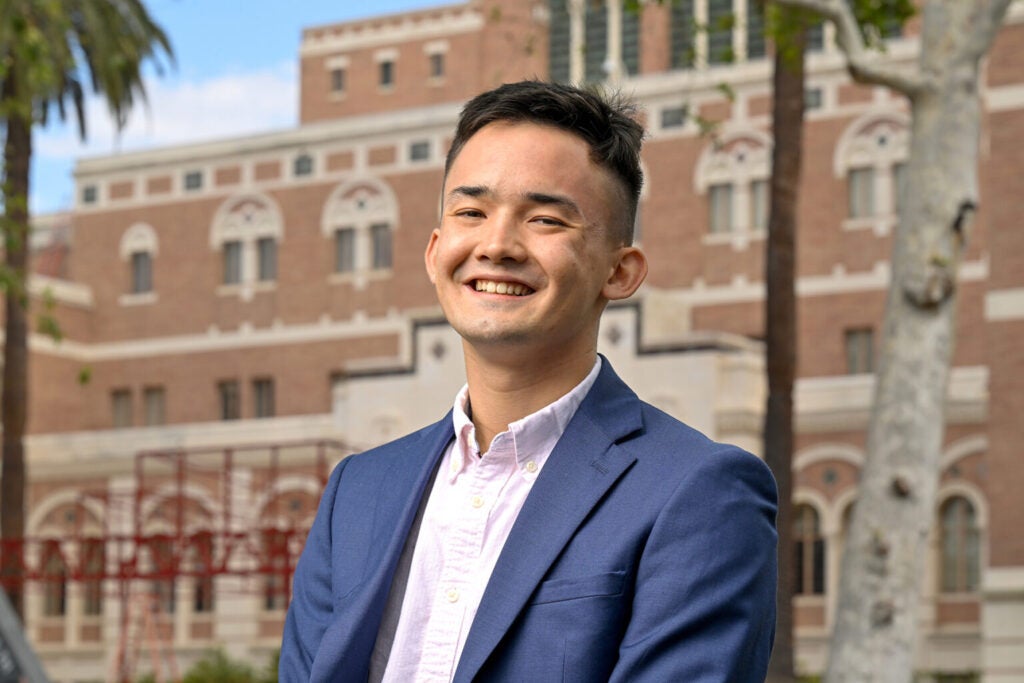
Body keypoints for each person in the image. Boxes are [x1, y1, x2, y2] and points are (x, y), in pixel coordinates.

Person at [279, 80, 778, 683]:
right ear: (436, 251)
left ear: (620, 272)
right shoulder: (358, 491)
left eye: (545, 219)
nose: (496, 245)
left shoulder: (699, 492)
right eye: (471, 212)